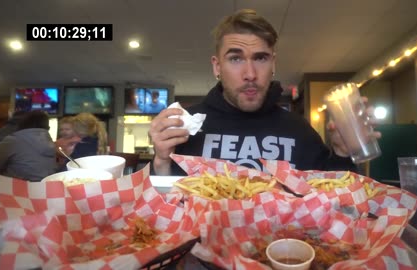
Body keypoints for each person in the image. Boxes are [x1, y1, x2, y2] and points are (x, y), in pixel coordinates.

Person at [148, 9, 381, 176]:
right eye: (236, 58)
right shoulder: (185, 128)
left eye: (260, 58)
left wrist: (341, 152)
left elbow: (335, 204)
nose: (250, 73)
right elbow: (159, 210)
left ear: (273, 64)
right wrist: (160, 160)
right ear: (217, 66)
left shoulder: (299, 130)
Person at [0, 111, 56, 181]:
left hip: (17, 189)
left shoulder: (13, 140)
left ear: (23, 123)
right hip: (46, 188)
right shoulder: (50, 143)